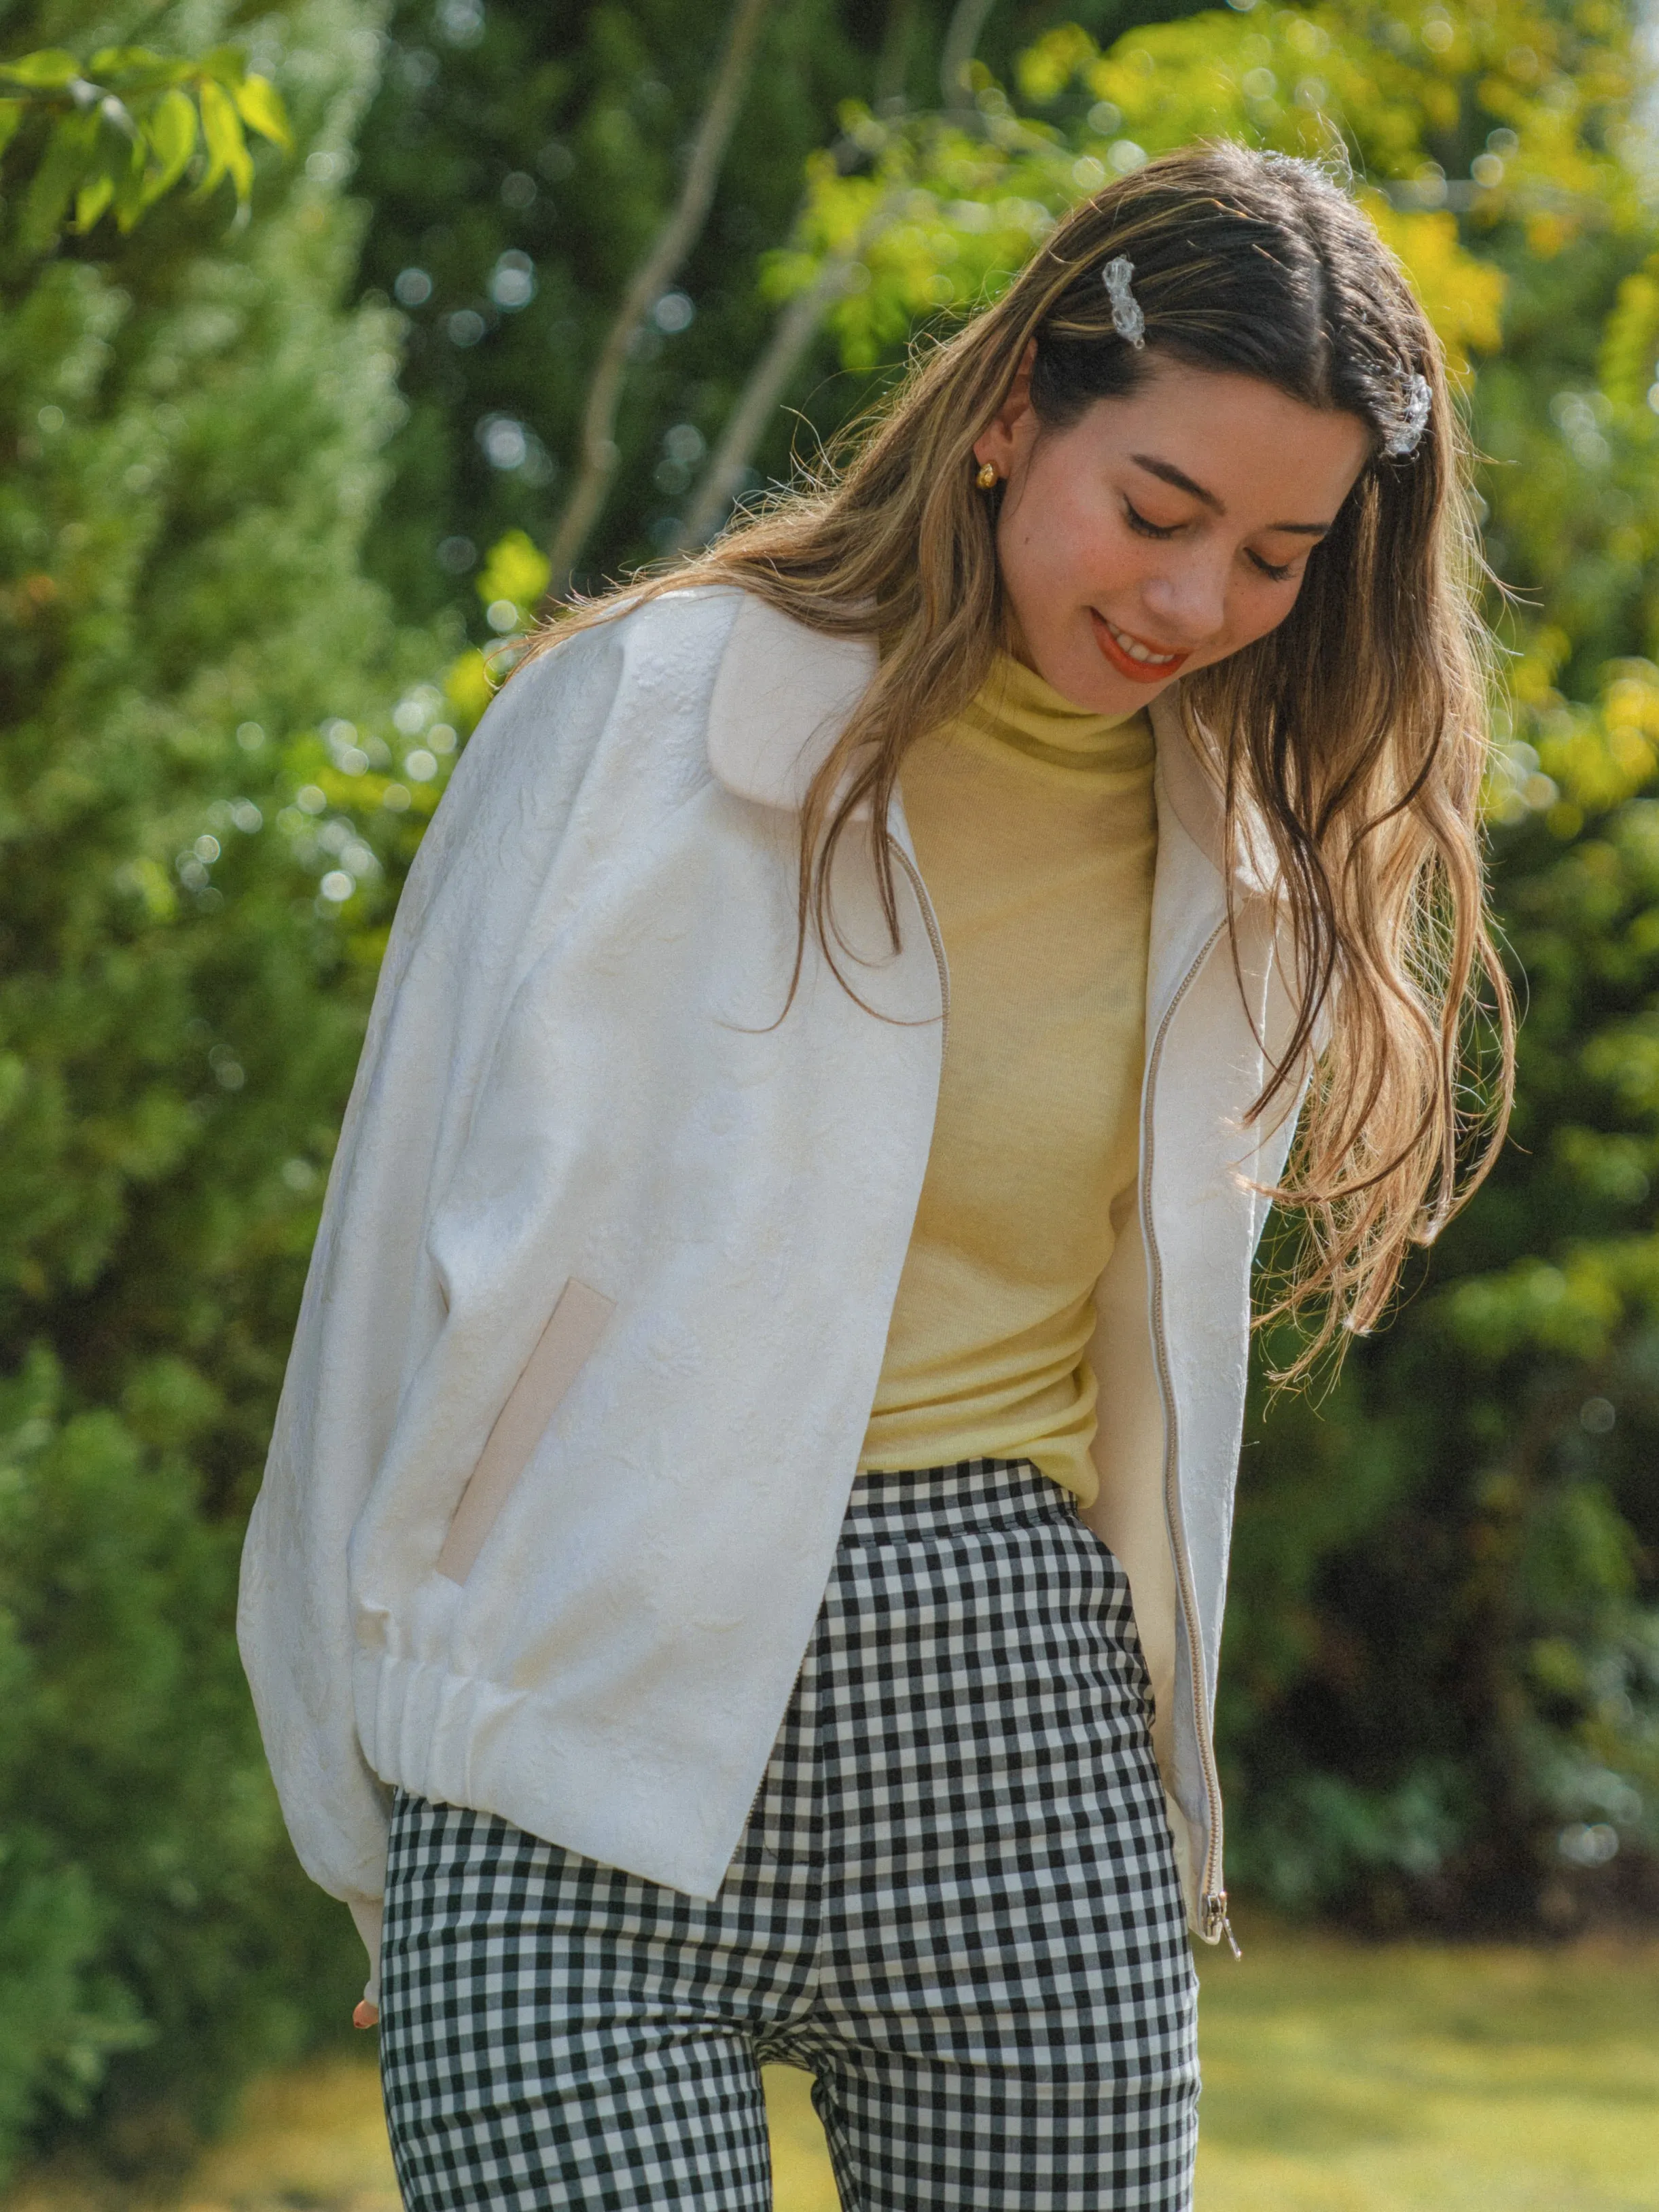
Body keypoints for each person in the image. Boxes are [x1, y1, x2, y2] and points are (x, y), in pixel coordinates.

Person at [238, 143, 1512, 2210]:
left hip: (1018, 1746)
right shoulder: (633, 717)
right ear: (1016, 414)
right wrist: (368, 1821)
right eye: (1157, 511)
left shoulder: (1246, 860)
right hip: (571, 1740)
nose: (1196, 604)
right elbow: (381, 1285)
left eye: (1278, 556)